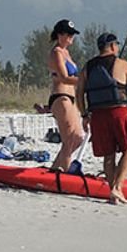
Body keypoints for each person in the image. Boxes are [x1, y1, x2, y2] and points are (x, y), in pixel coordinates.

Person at [75, 33, 127, 205]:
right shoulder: (121, 64)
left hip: (97, 115)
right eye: (116, 44)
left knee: (108, 156)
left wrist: (84, 115)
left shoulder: (88, 67)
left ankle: (112, 192)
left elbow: (79, 93)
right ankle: (118, 188)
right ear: (112, 46)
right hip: (118, 111)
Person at [47, 19, 84, 171]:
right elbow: (64, 77)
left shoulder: (66, 53)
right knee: (69, 139)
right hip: (61, 97)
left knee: (78, 138)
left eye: (72, 35)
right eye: (67, 34)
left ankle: (55, 168)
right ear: (59, 35)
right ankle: (67, 170)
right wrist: (84, 82)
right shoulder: (56, 52)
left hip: (72, 99)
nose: (70, 37)